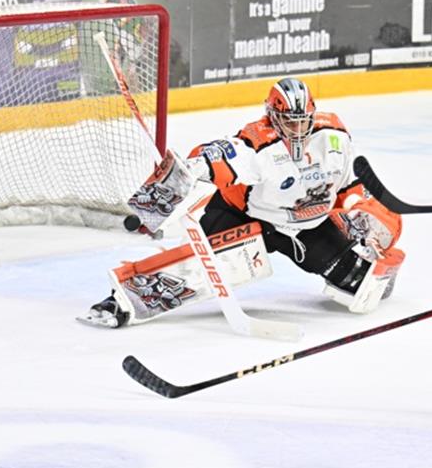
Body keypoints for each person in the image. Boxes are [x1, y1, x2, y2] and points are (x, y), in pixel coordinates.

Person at [84, 78, 406, 327]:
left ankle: (359, 263)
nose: (296, 129)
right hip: (244, 217)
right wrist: (187, 172)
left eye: (301, 120)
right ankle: (120, 302)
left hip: (307, 227)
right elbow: (214, 157)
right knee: (195, 271)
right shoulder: (257, 143)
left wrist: (362, 219)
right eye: (288, 121)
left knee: (361, 288)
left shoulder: (334, 137)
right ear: (272, 117)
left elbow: (347, 186)